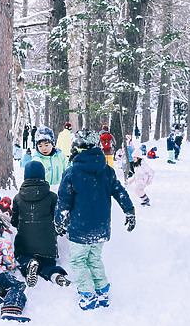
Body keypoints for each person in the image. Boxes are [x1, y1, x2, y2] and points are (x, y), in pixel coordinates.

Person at [56, 130, 136, 311]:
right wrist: (129, 210)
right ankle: (102, 291)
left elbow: (64, 200)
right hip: (101, 227)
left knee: (78, 261)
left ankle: (87, 295)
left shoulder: (72, 173)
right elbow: (119, 192)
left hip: (80, 228)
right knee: (94, 259)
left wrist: (59, 221)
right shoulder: (107, 170)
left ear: (76, 148)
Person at [12, 161, 70, 288]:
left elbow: (14, 221)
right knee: (48, 263)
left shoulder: (17, 198)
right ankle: (54, 274)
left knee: (21, 258)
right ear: (43, 176)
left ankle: (29, 264)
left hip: (24, 243)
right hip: (47, 243)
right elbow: (57, 219)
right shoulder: (52, 197)